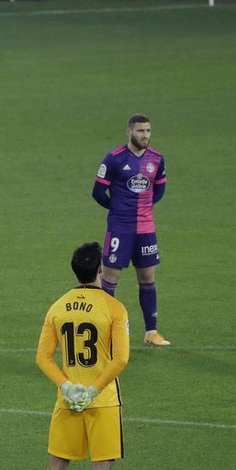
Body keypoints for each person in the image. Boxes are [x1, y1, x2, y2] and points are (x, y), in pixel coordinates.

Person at [24, 241, 131, 470]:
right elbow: (121, 359)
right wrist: (94, 389)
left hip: (67, 402)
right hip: (103, 403)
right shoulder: (114, 308)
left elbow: (42, 357)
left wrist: (67, 386)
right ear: (100, 269)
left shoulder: (58, 306)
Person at [92, 113, 170, 346]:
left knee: (147, 277)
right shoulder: (114, 159)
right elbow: (97, 192)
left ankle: (151, 332)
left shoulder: (156, 159)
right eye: (140, 131)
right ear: (129, 132)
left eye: (147, 131)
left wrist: (143, 208)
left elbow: (159, 190)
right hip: (120, 228)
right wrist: (116, 208)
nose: (145, 135)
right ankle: (106, 332)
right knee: (110, 277)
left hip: (146, 227)